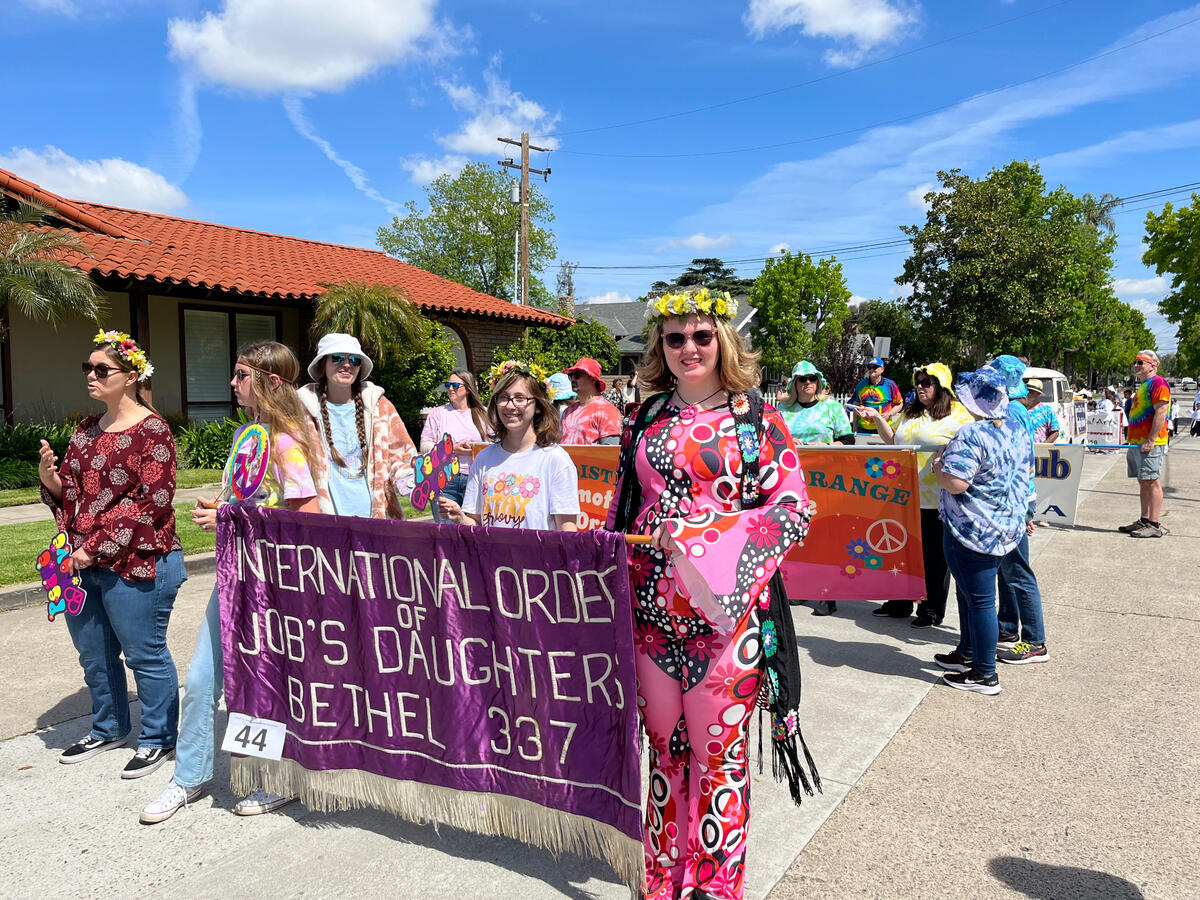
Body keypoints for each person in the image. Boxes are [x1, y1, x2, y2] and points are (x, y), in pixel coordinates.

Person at [606, 287, 812, 899]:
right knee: (664, 752)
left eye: (702, 336)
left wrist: (702, 535)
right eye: (675, 338)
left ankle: (716, 887)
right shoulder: (643, 417)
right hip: (650, 617)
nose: (689, 348)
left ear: (724, 341)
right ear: (660, 346)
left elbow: (792, 510)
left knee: (719, 756)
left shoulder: (757, 419)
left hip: (728, 621)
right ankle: (662, 878)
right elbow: (623, 508)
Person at [141, 341, 322, 824]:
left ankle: (278, 778)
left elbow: (309, 517)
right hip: (234, 574)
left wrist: (229, 516)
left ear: (270, 382)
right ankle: (188, 777)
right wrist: (222, 507)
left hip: (275, 582)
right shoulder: (249, 434)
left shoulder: (286, 441)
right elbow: (250, 499)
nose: (233, 383)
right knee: (202, 679)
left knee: (268, 683)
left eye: (242, 375)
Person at [38, 330, 186, 778]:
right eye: (88, 368)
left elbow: (153, 503)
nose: (92, 375)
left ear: (131, 376)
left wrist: (93, 548)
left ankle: (158, 738)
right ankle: (108, 728)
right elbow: (74, 495)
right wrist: (50, 479)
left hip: (138, 561)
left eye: (102, 369)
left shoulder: (153, 431)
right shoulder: (85, 430)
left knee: (144, 654)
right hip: (80, 563)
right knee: (95, 655)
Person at [932, 365, 1033, 695]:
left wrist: (937, 468)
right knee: (970, 595)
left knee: (980, 601)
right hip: (1004, 525)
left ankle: (984, 673)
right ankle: (968, 651)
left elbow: (956, 483)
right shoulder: (1016, 428)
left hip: (973, 529)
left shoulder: (972, 434)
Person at [858, 363, 973, 627]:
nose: (920, 387)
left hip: (936, 499)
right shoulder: (911, 411)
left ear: (941, 386)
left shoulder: (958, 414)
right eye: (918, 382)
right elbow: (892, 440)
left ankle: (931, 608)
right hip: (903, 497)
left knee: (933, 557)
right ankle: (900, 602)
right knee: (901, 552)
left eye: (927, 383)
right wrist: (877, 418)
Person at [437, 361, 580, 531]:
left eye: (520, 398)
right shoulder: (483, 459)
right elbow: (477, 527)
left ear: (538, 406)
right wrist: (460, 518)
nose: (510, 406)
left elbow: (567, 532)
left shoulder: (556, 460)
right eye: (503, 398)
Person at [299, 333, 418, 519]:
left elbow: (402, 455)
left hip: (375, 520)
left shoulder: (379, 406)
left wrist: (409, 480)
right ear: (323, 364)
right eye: (337, 357)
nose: (347, 365)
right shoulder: (304, 409)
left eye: (354, 360)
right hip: (327, 521)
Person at [778, 360, 852, 616]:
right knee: (799, 534)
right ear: (794, 383)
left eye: (812, 378)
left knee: (826, 537)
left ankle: (827, 594)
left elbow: (848, 439)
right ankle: (800, 588)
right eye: (802, 378)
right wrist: (789, 441)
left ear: (818, 381)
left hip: (827, 480)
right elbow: (772, 440)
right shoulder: (782, 409)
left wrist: (828, 447)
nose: (808, 382)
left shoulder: (832, 407)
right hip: (793, 481)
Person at [990, 356, 1050, 665]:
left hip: (1013, 498)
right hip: (1017, 498)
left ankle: (1035, 641)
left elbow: (1014, 462)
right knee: (1007, 569)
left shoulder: (1011, 413)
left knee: (1017, 571)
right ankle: (1008, 628)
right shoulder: (1016, 409)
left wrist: (1018, 508)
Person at [415, 365, 489, 522]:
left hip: (475, 478)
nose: (450, 389)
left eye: (455, 385)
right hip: (444, 479)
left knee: (474, 527)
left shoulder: (484, 414)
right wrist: (451, 449)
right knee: (446, 528)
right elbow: (425, 445)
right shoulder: (438, 414)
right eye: (448, 385)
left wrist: (478, 448)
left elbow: (495, 445)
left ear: (468, 389)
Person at [1118, 350, 1170, 538]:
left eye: (1140, 362)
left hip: (1150, 443)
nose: (1136, 365)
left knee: (1151, 480)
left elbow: (1161, 412)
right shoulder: (1143, 386)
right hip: (1137, 442)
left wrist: (1151, 439)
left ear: (1153, 365)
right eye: (1135, 362)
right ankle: (1144, 519)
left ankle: (1154, 524)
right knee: (1143, 481)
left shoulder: (1158, 383)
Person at [559, 357, 622, 445]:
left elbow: (609, 452)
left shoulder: (608, 411)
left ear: (592, 379)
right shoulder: (568, 411)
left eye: (577, 375)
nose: (572, 379)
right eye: (570, 376)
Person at [851, 356, 902, 436]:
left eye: (875, 367)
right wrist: (854, 429)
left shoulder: (890, 384)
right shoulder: (861, 385)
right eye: (869, 367)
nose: (871, 370)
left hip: (884, 427)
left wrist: (890, 414)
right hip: (863, 428)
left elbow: (899, 404)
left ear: (882, 369)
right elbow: (855, 406)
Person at [1022, 379, 1061, 443]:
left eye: (1031, 392)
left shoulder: (1047, 410)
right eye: (1027, 391)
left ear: (1038, 394)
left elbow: (1055, 432)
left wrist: (1044, 446)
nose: (1028, 394)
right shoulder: (1020, 409)